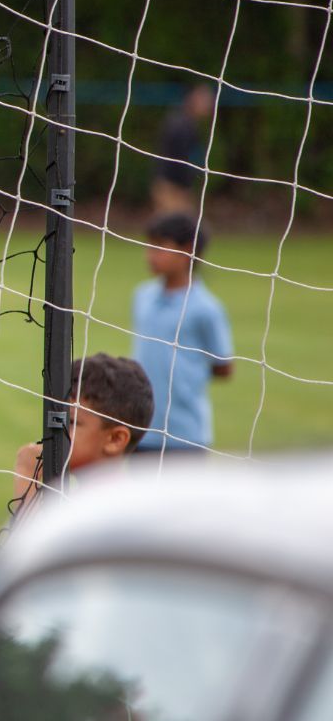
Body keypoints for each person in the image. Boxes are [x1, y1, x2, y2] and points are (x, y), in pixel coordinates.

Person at [129, 212, 232, 456]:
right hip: (141, 427)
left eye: (159, 247)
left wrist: (185, 375)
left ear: (187, 250)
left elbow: (223, 366)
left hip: (185, 434)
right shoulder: (142, 296)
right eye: (149, 247)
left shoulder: (206, 308)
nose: (150, 256)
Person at [11, 354, 155, 514]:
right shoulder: (90, 496)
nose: (55, 430)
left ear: (115, 439)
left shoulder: (109, 508)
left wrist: (27, 475)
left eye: (71, 422)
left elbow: (31, 538)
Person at [151, 83, 216, 216]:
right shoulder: (181, 125)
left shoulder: (187, 123)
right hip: (171, 186)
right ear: (193, 99)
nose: (210, 105)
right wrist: (184, 188)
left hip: (174, 185)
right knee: (175, 229)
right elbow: (177, 159)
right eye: (205, 100)